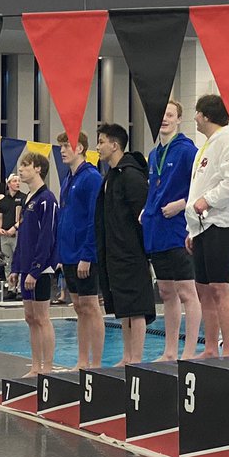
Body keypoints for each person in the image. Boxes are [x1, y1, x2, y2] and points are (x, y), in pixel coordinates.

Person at [186, 94, 229, 359]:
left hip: (221, 224)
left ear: (205, 115)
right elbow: (200, 187)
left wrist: (209, 201)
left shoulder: (227, 140)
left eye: (196, 113)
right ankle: (211, 347)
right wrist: (192, 230)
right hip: (203, 225)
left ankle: (228, 348)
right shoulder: (210, 144)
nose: (195, 119)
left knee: (219, 287)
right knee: (204, 289)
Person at [142, 101, 200, 362]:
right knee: (166, 292)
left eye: (170, 115)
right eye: (161, 115)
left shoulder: (188, 151)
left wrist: (183, 203)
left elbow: (203, 185)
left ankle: (188, 352)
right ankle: (169, 351)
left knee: (187, 292)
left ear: (179, 119)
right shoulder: (154, 155)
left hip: (178, 230)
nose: (164, 119)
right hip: (157, 230)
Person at [94, 122, 154, 366]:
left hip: (132, 252)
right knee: (124, 308)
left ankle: (136, 358)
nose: (97, 147)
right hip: (115, 251)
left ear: (114, 145)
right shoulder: (111, 176)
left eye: (101, 142)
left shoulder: (130, 175)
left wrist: (143, 251)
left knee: (136, 307)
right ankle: (127, 355)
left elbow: (143, 216)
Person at [58, 131, 105, 370]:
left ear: (80, 148)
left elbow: (94, 220)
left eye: (67, 146)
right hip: (69, 253)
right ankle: (82, 360)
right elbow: (65, 217)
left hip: (84, 254)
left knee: (90, 307)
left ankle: (95, 362)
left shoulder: (91, 178)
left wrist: (88, 254)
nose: (62, 150)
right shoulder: (68, 179)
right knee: (78, 307)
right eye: (61, 146)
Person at [11, 151, 58, 377]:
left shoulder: (47, 199)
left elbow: (47, 237)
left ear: (38, 169)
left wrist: (36, 269)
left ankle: (47, 367)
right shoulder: (26, 199)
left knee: (42, 318)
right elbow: (23, 237)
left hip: (40, 269)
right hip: (26, 268)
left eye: (26, 165)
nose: (21, 170)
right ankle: (35, 365)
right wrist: (16, 267)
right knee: (30, 318)